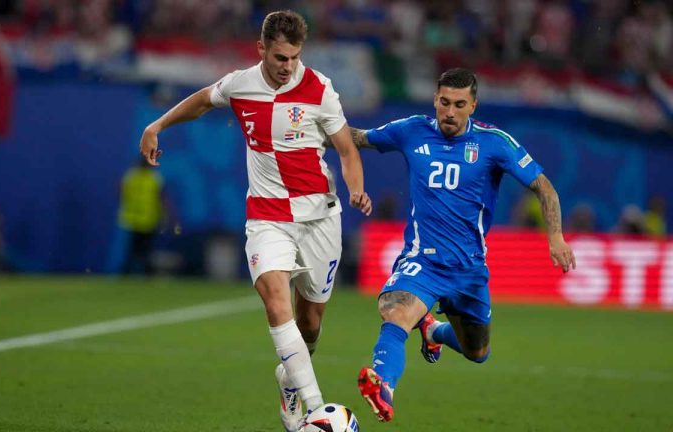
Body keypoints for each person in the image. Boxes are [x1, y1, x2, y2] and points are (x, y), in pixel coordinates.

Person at [138, 10, 372, 431]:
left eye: (295, 57)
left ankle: (289, 381)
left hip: (319, 216)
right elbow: (200, 101)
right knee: (275, 302)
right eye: (281, 57)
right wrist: (157, 125)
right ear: (261, 49)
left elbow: (346, 149)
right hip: (266, 217)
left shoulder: (320, 89)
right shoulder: (240, 84)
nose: (288, 67)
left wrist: (356, 187)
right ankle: (317, 410)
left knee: (311, 324)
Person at [342, 68, 575, 422]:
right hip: (424, 262)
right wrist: (311, 125)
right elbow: (356, 138)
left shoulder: (495, 143)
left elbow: (544, 186)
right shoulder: (411, 130)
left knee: (477, 350)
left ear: (473, 105)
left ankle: (433, 330)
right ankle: (384, 386)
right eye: (444, 102)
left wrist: (555, 235)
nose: (450, 112)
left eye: (459, 104)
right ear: (435, 99)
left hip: (469, 271)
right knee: (396, 309)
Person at [118, 156, 167, 275]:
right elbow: (162, 199)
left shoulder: (131, 176)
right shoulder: (154, 178)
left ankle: (129, 273)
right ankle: (142, 274)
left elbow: (120, 191)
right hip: (146, 219)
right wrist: (164, 216)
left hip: (135, 219)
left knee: (135, 250)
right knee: (142, 250)